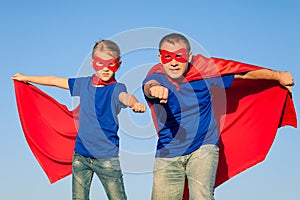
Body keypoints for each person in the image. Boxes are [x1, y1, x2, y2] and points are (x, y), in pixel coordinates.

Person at [142, 33, 294, 200]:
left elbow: (242, 74)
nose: (173, 62)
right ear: (160, 58)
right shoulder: (157, 76)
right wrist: (154, 89)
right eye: (167, 56)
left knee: (201, 197)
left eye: (180, 56)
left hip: (203, 147)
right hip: (168, 152)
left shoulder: (205, 70)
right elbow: (149, 85)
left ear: (189, 56)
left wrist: (278, 76)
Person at [12, 39, 146, 200]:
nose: (105, 68)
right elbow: (54, 80)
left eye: (111, 64)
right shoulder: (83, 84)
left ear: (119, 64)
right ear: (92, 63)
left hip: (107, 159)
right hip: (80, 158)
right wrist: (26, 77)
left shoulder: (116, 88)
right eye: (100, 63)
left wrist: (135, 103)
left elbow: (125, 97)